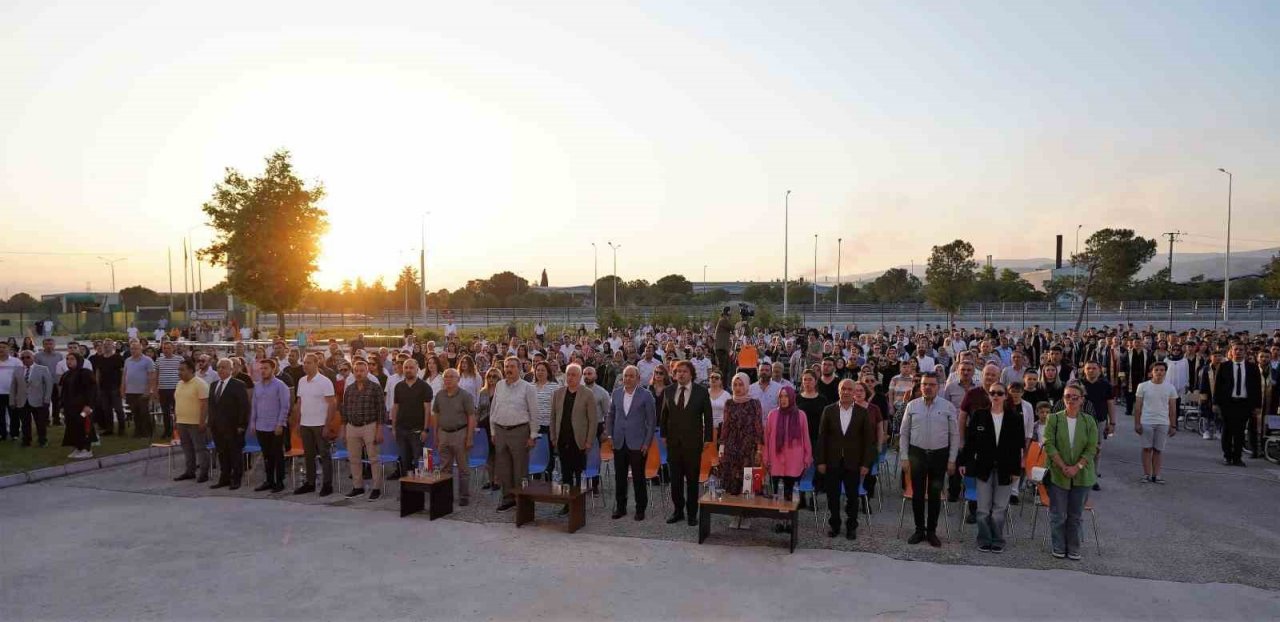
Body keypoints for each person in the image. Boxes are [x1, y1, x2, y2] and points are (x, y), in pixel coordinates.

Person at [958, 382, 1025, 553]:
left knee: (999, 509)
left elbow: (1018, 447)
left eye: (999, 393)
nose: (995, 396)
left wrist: (1017, 471)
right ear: (988, 396)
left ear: (1005, 396)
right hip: (983, 468)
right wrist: (964, 462)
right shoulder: (979, 416)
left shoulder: (1015, 418)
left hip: (1006, 469)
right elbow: (970, 443)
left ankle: (998, 540)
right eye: (992, 393)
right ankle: (984, 539)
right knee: (982, 509)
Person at [899, 371, 959, 547]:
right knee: (917, 494)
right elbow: (904, 433)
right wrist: (903, 457)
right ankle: (919, 530)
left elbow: (954, 435)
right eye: (925, 384)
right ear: (921, 386)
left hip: (939, 456)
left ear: (938, 387)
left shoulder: (948, 407)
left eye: (932, 384)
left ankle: (931, 531)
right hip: (917, 455)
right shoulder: (912, 406)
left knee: (934, 495)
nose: (928, 387)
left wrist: (952, 459)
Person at [1042, 383, 1098, 560]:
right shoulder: (1054, 419)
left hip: (1082, 475)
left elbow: (1091, 448)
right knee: (1058, 514)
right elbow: (1049, 444)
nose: (1071, 400)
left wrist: (1077, 467)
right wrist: (1063, 466)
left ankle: (1073, 548)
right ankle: (1058, 546)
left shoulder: (1089, 421)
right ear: (1063, 399)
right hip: (1058, 474)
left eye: (1075, 397)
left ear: (1082, 400)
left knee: (1075, 515)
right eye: (1068, 396)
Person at [815, 379, 876, 540]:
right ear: (839, 390)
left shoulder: (862, 413)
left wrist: (865, 464)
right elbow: (822, 438)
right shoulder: (828, 411)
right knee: (832, 496)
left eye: (850, 389)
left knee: (852, 497)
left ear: (855, 392)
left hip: (853, 463)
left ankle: (851, 527)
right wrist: (820, 461)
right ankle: (834, 525)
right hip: (832, 461)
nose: (847, 392)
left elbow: (868, 441)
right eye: (844, 389)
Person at [658, 360, 713, 526]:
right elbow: (664, 416)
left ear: (691, 374)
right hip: (674, 444)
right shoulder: (668, 391)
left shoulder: (701, 392)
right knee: (675, 481)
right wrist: (664, 435)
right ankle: (678, 511)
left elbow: (708, 418)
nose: (681, 374)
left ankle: (692, 514)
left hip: (693, 443)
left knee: (691, 481)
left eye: (684, 371)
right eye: (678, 371)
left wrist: (707, 439)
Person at [606, 365, 656, 520]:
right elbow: (610, 416)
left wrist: (646, 443)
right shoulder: (616, 393)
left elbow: (651, 422)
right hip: (619, 442)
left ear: (638, 378)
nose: (627, 379)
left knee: (638, 477)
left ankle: (640, 509)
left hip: (638, 443)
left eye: (631, 376)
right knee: (620, 477)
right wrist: (610, 436)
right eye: (625, 376)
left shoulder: (646, 395)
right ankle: (620, 507)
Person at [491, 357, 539, 512]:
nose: (508, 369)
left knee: (520, 468)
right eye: (506, 366)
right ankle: (508, 498)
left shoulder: (528, 388)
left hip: (519, 431)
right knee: (504, 468)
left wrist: (532, 435)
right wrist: (493, 431)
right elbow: (493, 410)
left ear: (519, 369)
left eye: (512, 366)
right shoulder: (499, 385)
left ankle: (522, 499)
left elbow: (534, 413)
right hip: (500, 431)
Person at [763, 385, 813, 523]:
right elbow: (767, 439)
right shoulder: (772, 414)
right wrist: (766, 457)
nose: (783, 399)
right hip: (776, 461)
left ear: (792, 398)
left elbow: (806, 437)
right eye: (781, 396)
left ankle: (790, 522)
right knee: (777, 495)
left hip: (794, 462)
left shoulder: (801, 415)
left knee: (791, 495)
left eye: (786, 396)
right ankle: (779, 521)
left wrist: (807, 457)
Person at [551, 364, 596, 513]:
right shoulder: (558, 393)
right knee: (566, 474)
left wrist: (589, 440)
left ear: (579, 377)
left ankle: (578, 504)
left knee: (579, 474)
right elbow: (553, 417)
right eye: (568, 374)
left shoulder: (587, 394)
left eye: (573, 375)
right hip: (563, 440)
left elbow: (593, 420)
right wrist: (553, 437)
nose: (570, 377)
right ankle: (567, 503)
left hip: (579, 440)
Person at [340, 360, 386, 500]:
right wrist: (344, 428)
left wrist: (379, 429)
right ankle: (357, 487)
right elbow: (345, 410)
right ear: (353, 372)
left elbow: (381, 410)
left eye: (362, 371)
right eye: (356, 371)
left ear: (367, 372)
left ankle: (376, 488)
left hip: (370, 426)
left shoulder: (375, 387)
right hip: (352, 427)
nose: (359, 373)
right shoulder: (349, 389)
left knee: (373, 458)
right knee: (354, 459)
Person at [432, 368, 476, 506]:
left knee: (463, 469)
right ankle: (446, 495)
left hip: (460, 434)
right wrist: (436, 435)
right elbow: (436, 415)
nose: (448, 379)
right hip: (443, 434)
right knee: (445, 468)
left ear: (458, 379)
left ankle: (464, 496)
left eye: (452, 376)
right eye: (446, 377)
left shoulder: (465, 396)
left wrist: (469, 437)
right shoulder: (439, 395)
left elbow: (471, 417)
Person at [294, 353, 336, 496]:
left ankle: (327, 484)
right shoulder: (301, 381)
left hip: (320, 424)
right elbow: (300, 403)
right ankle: (310, 483)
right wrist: (298, 422)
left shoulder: (325, 382)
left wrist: (327, 425)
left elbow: (332, 404)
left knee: (324, 455)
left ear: (316, 364)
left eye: (309, 363)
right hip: (305, 424)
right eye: (304, 363)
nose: (305, 365)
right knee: (308, 455)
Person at [1215, 343, 1261, 466]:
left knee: (1240, 432)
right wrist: (1216, 403)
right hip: (1228, 403)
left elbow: (1257, 388)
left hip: (1244, 404)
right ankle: (1227, 456)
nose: (1238, 352)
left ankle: (1237, 457)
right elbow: (1217, 386)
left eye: (1241, 350)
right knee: (1227, 430)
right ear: (1231, 351)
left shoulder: (1252, 367)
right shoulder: (1224, 366)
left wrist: (1257, 406)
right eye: (1236, 349)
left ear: (1245, 352)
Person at [718, 373, 763, 496]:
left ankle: (748, 511)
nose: (738, 388)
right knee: (732, 485)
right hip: (731, 445)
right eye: (735, 385)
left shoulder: (755, 403)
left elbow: (758, 427)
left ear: (747, 386)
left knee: (748, 484)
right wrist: (721, 447)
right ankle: (735, 511)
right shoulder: (729, 403)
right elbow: (725, 426)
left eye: (741, 385)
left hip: (749, 446)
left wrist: (759, 450)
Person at [250, 359, 291, 494]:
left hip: (275, 427)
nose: (262, 371)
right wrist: (253, 423)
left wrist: (280, 424)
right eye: (261, 368)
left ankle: (279, 482)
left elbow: (285, 407)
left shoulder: (281, 386)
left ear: (272, 369)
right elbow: (254, 406)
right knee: (267, 455)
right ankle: (269, 480)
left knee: (277, 455)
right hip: (261, 426)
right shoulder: (257, 386)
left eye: (265, 368)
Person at [209, 359, 250, 490]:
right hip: (217, 426)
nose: (221, 370)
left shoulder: (238, 384)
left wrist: (242, 425)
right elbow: (212, 406)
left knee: (234, 453)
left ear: (231, 370)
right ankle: (224, 477)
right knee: (222, 453)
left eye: (224, 367)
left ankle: (236, 478)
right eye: (219, 367)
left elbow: (244, 406)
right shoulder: (214, 385)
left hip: (233, 426)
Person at [1134, 361, 1177, 483]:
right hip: (1146, 421)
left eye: (1162, 370)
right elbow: (1138, 407)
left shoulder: (1170, 387)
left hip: (1163, 422)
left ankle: (1157, 475)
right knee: (1147, 448)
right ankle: (1147, 474)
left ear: (1165, 372)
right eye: (1156, 370)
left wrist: (1173, 425)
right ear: (1151, 372)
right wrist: (1137, 423)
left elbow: (1173, 408)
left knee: (1158, 449)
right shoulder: (1143, 386)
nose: (1159, 372)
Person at [392, 358, 433, 480]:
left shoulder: (425, 387)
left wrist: (426, 429)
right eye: (406, 368)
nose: (408, 370)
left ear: (417, 369)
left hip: (418, 431)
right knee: (405, 463)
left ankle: (424, 486)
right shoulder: (398, 386)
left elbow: (427, 410)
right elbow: (396, 407)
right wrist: (394, 428)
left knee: (422, 462)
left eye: (411, 368)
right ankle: (409, 490)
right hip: (402, 430)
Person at [172, 359, 211, 483]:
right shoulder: (179, 384)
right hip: (182, 421)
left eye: (182, 370)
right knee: (187, 448)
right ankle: (190, 471)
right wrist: (176, 419)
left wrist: (202, 421)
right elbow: (177, 402)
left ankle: (204, 473)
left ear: (190, 370)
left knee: (200, 448)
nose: (179, 372)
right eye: (178, 369)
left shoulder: (200, 384)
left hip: (195, 423)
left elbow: (205, 404)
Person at [59, 350, 97, 459]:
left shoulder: (85, 373)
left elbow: (91, 390)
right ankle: (78, 447)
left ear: (78, 360)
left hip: (84, 408)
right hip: (70, 408)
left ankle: (87, 449)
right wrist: (62, 406)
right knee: (73, 426)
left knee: (84, 425)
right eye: (67, 359)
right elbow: (64, 392)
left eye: (72, 359)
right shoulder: (67, 374)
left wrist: (88, 405)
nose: (69, 361)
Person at [11, 350, 54, 447]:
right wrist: (12, 400)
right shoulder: (17, 370)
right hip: (22, 401)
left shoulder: (43, 369)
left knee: (40, 423)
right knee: (25, 423)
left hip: (39, 401)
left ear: (33, 357)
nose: (25, 359)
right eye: (22, 358)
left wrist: (47, 400)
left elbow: (49, 385)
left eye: (28, 357)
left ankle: (42, 440)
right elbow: (13, 386)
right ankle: (26, 440)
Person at [123, 341, 157, 438]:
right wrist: (123, 388)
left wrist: (149, 390)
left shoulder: (148, 360)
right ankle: (138, 432)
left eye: (136, 348)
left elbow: (152, 376)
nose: (134, 350)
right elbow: (125, 375)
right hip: (130, 391)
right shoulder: (127, 360)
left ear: (141, 349)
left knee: (144, 413)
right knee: (135, 413)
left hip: (143, 391)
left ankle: (147, 432)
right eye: (132, 348)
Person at [476, 366, 502, 491]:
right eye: (489, 376)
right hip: (483, 425)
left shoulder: (502, 392)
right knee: (487, 454)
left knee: (496, 453)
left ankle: (497, 480)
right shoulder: (483, 392)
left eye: (494, 376)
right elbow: (479, 410)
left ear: (499, 378)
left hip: (496, 425)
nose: (491, 379)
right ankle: (489, 479)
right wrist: (476, 426)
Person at [155, 341, 183, 439]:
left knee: (177, 412)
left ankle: (178, 432)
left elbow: (183, 374)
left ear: (173, 349)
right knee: (165, 412)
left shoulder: (180, 359)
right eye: (164, 348)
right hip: (163, 389)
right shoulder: (159, 360)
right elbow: (156, 375)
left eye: (168, 348)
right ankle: (167, 431)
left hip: (176, 389)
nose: (166, 350)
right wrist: (155, 389)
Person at [0, 342, 21, 440]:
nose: (1, 349)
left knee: (14, 415)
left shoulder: (16, 362)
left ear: (9, 349)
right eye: (0, 347)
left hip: (12, 393)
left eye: (4, 347)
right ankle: (2, 433)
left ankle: (14, 434)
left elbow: (20, 378)